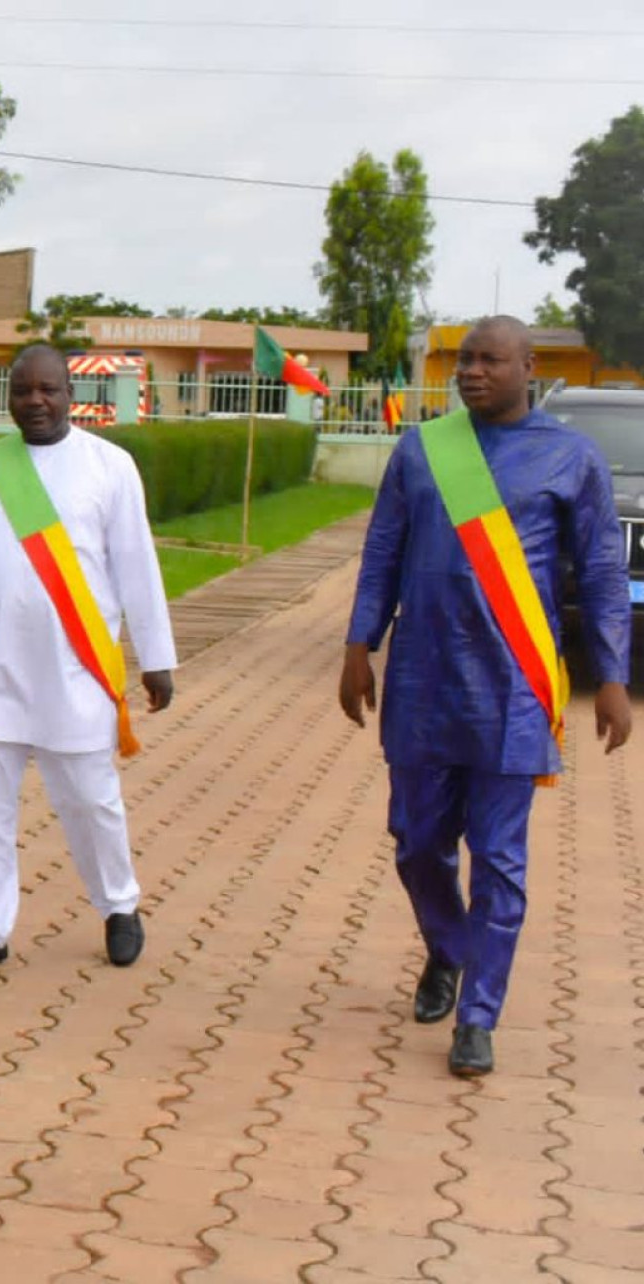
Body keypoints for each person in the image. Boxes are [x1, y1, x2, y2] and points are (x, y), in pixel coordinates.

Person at [339, 315, 632, 1078]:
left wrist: (612, 678)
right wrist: (358, 645)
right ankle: (448, 947)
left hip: (512, 688)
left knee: (499, 859)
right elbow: (382, 550)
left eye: (489, 360)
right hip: (422, 680)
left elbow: (602, 571)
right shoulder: (422, 449)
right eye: (465, 359)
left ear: (528, 368)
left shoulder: (570, 456)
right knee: (416, 842)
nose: (471, 371)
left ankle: (478, 1015)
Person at [0, 343, 177, 976]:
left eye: (48, 390)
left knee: (91, 800)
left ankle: (119, 905)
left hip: (74, 669)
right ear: (8, 396)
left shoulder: (110, 466)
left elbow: (137, 565)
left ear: (69, 395)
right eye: (23, 390)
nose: (35, 401)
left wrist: (156, 657)